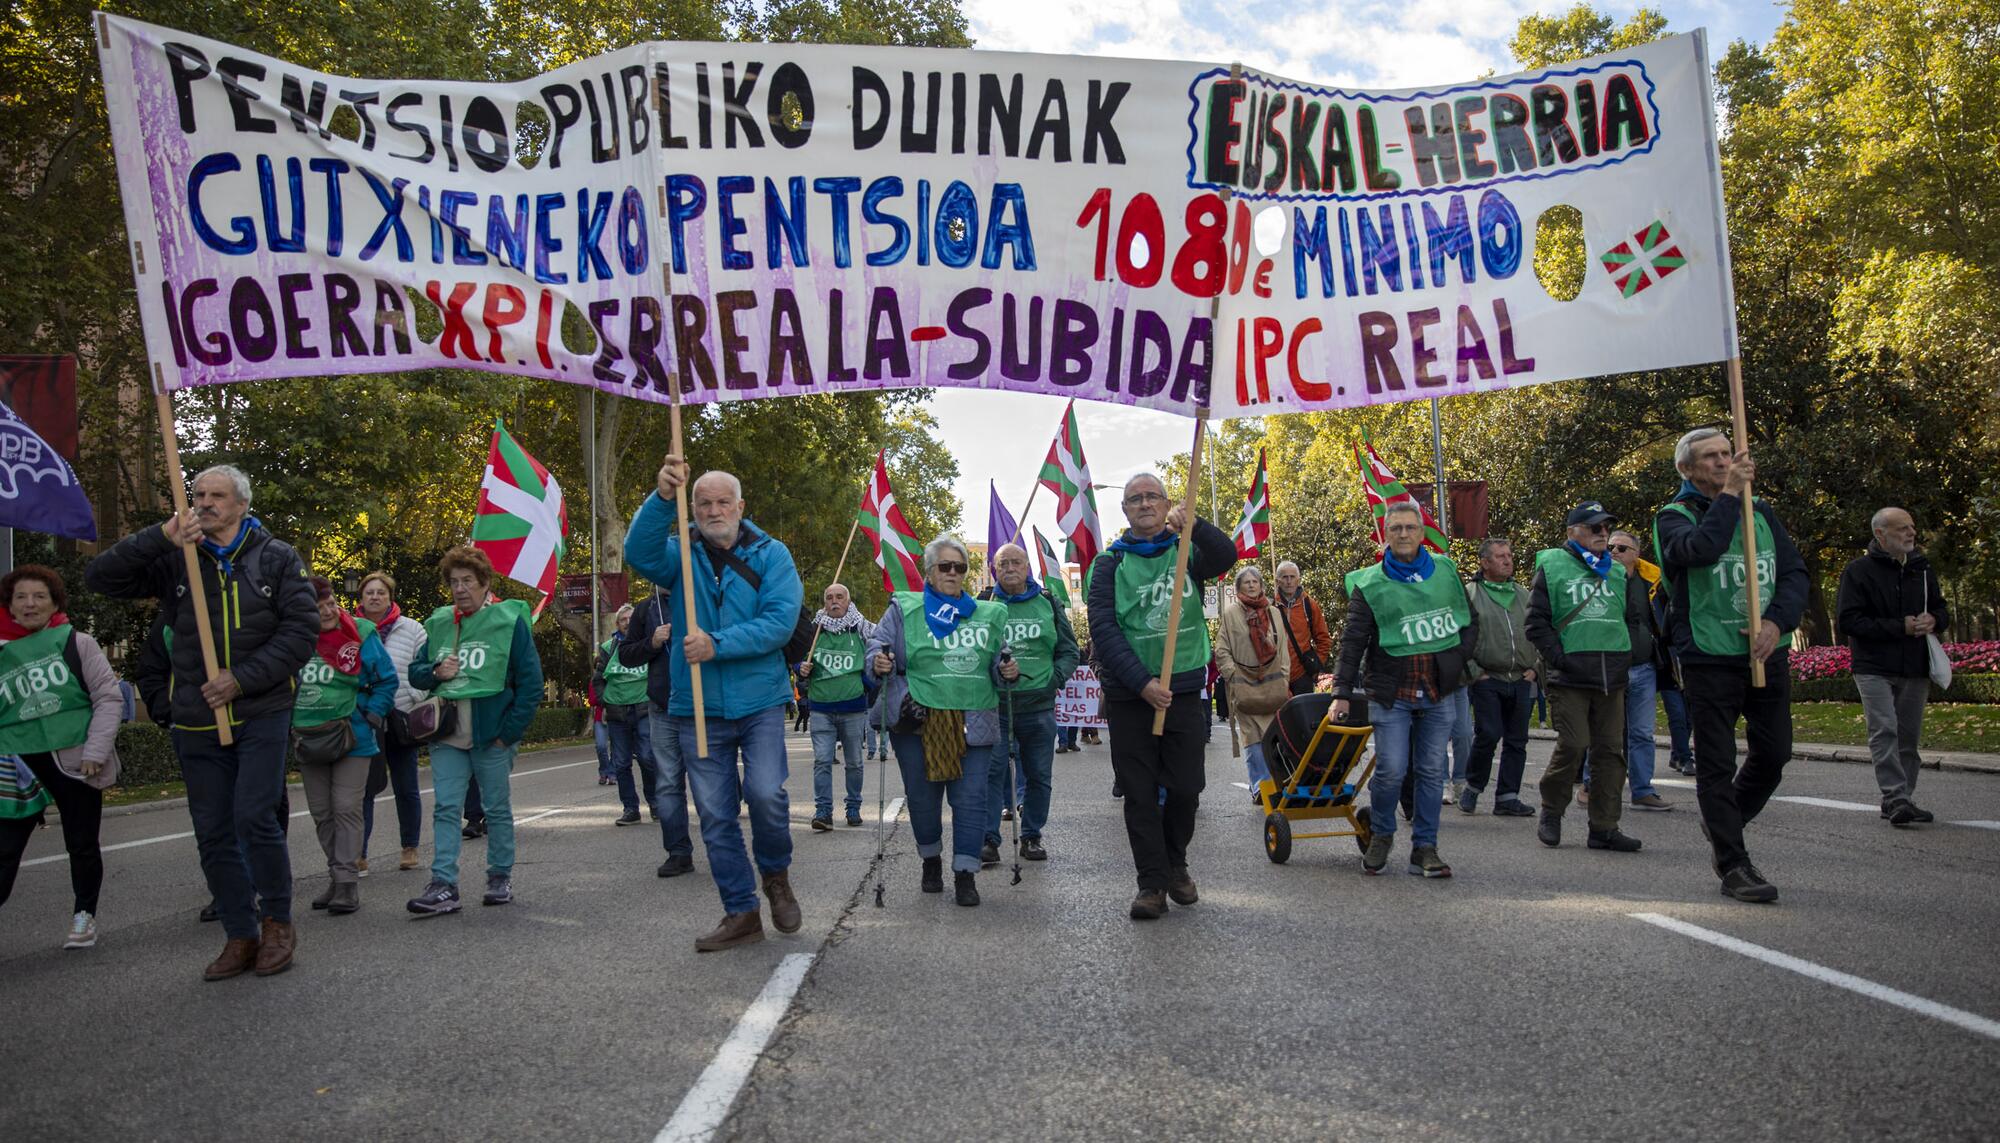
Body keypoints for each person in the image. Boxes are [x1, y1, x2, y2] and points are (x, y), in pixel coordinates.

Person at [85, 464, 317, 980]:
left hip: (261, 710)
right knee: (212, 832)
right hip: (196, 718)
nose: (204, 503)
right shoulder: (176, 558)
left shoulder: (277, 558)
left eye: (216, 495)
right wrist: (159, 536)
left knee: (254, 817)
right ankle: (240, 933)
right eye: (198, 495)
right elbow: (101, 578)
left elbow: (300, 633)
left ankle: (278, 922)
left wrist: (242, 678)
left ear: (241, 504)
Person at [625, 458, 804, 952]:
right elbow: (636, 551)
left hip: (760, 701)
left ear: (741, 507)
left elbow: (780, 622)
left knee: (766, 794)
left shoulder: (773, 555)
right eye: (703, 502)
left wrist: (717, 644)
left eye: (723, 501)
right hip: (696, 706)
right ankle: (740, 911)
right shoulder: (679, 555)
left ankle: (776, 876)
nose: (713, 510)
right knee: (715, 815)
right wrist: (662, 498)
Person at [1654, 429, 1809, 903]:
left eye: (1728, 453)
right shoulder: (1674, 517)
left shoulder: (1759, 511)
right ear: (1688, 469)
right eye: (1712, 457)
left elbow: (1793, 572)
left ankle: (1725, 819)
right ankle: (1734, 864)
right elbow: (1701, 551)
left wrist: (1776, 622)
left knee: (1774, 753)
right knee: (1716, 764)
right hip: (1708, 657)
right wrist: (1728, 496)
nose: (1724, 462)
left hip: (1764, 652)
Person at [1089, 474, 1236, 920]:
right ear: (1126, 510)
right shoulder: (1109, 563)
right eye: (1135, 499)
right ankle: (1151, 883)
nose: (1145, 504)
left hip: (1185, 690)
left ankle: (1176, 862)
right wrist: (1141, 683)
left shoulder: (1185, 548)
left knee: (1187, 787)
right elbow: (1104, 629)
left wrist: (1197, 524)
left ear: (1166, 503)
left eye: (1153, 496)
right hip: (1133, 697)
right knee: (1138, 793)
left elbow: (1227, 555)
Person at [868, 536, 1019, 905]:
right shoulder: (905, 608)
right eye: (945, 566)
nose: (953, 573)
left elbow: (999, 662)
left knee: (971, 800)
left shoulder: (986, 613)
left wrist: (1008, 671)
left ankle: (966, 873)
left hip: (973, 718)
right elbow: (877, 644)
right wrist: (878, 661)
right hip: (917, 719)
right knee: (922, 800)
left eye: (960, 567)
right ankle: (931, 860)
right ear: (929, 572)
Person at [1332, 502, 1476, 879]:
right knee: (1392, 769)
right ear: (1385, 534)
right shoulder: (1369, 584)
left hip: (1437, 690)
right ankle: (1381, 834)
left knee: (1431, 772)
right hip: (1391, 693)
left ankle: (1425, 848)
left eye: (1411, 527)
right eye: (1395, 528)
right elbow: (1353, 641)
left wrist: (1458, 659)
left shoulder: (1445, 570)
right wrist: (1341, 691)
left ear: (1421, 531)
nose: (1403, 534)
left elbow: (1468, 621)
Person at [404, 546, 544, 915]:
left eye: (468, 581)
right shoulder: (438, 622)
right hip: (448, 734)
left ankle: (499, 875)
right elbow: (415, 671)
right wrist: (436, 673)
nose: (460, 588)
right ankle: (443, 885)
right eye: (454, 582)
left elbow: (531, 684)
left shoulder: (508, 621)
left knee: (495, 808)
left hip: (491, 736)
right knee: (446, 807)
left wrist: (508, 733)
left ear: (485, 584)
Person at [0, 566, 123, 949]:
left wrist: (96, 751)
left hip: (74, 761)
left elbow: (108, 697)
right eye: (21, 597)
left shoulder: (77, 642)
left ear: (54, 602)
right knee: (4, 850)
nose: (30, 603)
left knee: (82, 844)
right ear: (10, 606)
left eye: (39, 596)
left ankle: (84, 917)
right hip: (16, 766)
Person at [1525, 504, 1650, 854]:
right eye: (1593, 526)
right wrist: (1561, 660)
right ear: (1571, 532)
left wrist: (1627, 657)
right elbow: (1536, 623)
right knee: (1575, 743)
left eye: (1606, 526)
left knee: (1610, 753)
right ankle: (1552, 810)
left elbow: (1630, 620)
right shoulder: (1552, 565)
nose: (1602, 532)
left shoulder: (1617, 573)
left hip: (1612, 676)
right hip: (1570, 678)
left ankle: (1604, 828)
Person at [1837, 507, 1951, 826]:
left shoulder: (1922, 569)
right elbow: (1849, 621)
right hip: (1873, 666)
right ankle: (1895, 795)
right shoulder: (1858, 571)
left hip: (1915, 665)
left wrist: (1935, 619)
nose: (1911, 533)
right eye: (1902, 528)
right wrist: (1899, 627)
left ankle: (1903, 798)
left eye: (1912, 527)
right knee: (1884, 729)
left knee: (1908, 737)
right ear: (1880, 535)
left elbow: (1942, 610)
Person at [295, 576, 397, 914]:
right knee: (322, 813)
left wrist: (372, 716)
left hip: (353, 736)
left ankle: (347, 883)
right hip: (309, 737)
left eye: (329, 603)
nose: (326, 611)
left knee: (346, 808)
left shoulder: (362, 632)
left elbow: (386, 680)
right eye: (317, 607)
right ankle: (336, 876)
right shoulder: (295, 637)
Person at [977, 543, 1079, 864]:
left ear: (1027, 567)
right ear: (994, 570)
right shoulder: (984, 604)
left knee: (1038, 776)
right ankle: (989, 840)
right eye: (1003, 563)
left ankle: (1032, 836)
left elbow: (1069, 651)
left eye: (1016, 562)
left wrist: (1052, 680)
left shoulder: (1048, 602)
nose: (1009, 568)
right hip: (995, 707)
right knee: (991, 774)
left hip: (1038, 707)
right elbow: (971, 654)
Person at [1458, 538, 1539, 817]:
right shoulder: (1470, 594)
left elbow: (1541, 630)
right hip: (1487, 678)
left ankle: (1507, 797)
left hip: (1521, 678)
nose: (1508, 560)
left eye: (1509, 555)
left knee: (1517, 740)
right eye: (1500, 556)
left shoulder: (1523, 594)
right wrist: (1474, 673)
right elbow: (1458, 637)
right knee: (1489, 733)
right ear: (1485, 562)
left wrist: (1536, 668)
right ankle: (1473, 787)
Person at [620, 590, 696, 876]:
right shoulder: (646, 608)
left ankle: (722, 849)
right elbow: (626, 654)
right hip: (663, 707)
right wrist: (652, 643)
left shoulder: (701, 595)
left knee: (708, 780)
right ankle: (678, 852)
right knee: (667, 783)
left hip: (703, 706)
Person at [355, 571, 427, 872]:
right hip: (366, 719)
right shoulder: (351, 628)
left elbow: (425, 667)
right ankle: (358, 853)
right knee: (364, 790)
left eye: (380, 592)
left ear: (390, 597)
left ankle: (409, 847)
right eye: (369, 592)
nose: (375, 597)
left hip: (400, 717)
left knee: (406, 786)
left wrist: (411, 696)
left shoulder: (412, 629)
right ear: (361, 597)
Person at [798, 583, 877, 831]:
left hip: (853, 709)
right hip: (821, 708)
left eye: (839, 597)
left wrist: (865, 683)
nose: (834, 601)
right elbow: (797, 658)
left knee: (854, 762)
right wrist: (800, 668)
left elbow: (875, 656)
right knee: (822, 761)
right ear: (824, 603)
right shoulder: (814, 630)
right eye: (829, 597)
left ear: (848, 601)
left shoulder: (862, 628)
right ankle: (823, 812)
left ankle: (853, 808)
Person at [1609, 531, 1676, 812]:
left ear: (1636, 553)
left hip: (1645, 668)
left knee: (1641, 732)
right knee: (1607, 732)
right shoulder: (1598, 578)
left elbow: (1665, 617)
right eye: (1610, 546)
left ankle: (1642, 789)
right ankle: (1591, 784)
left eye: (1622, 548)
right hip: (1611, 667)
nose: (1614, 551)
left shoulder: (1653, 582)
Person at [1213, 565, 1289, 800]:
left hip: (1272, 681)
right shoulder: (1230, 613)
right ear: (1238, 588)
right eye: (1246, 582)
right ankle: (1260, 787)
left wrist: (1284, 676)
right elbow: (1221, 648)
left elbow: (1283, 648)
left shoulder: (1274, 612)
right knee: (1252, 737)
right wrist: (1232, 674)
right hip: (1243, 683)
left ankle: (1278, 782)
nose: (1251, 585)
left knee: (1274, 735)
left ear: (1262, 586)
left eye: (1255, 582)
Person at [595, 603, 661, 829]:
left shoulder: (649, 644)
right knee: (621, 763)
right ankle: (630, 809)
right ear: (617, 624)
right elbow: (598, 679)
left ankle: (655, 804)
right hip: (617, 712)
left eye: (631, 619)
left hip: (643, 709)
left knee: (646, 757)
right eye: (623, 620)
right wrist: (605, 701)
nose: (627, 623)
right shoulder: (608, 647)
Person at [1274, 560, 1334, 697]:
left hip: (1302, 674)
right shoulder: (1270, 606)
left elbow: (1323, 638)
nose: (1289, 581)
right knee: (1277, 717)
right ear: (1278, 581)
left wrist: (1316, 664)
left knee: (1301, 716)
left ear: (1298, 580)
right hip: (1276, 675)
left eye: (1292, 577)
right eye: (1285, 577)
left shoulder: (1309, 605)